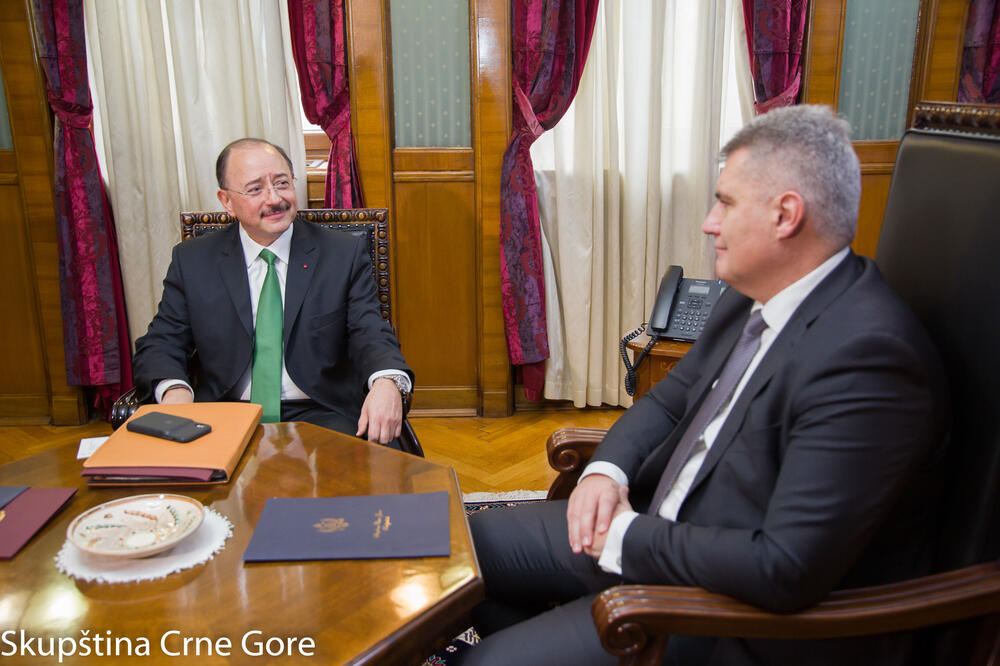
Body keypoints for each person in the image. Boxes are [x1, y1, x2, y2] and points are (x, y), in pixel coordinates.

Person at [458, 105, 948, 665]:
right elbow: (670, 399)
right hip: (658, 532)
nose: (709, 222)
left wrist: (622, 538)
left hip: (728, 609)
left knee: (483, 663)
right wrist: (605, 470)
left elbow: (783, 568)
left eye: (727, 203)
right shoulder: (753, 292)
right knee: (467, 553)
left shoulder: (869, 359)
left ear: (786, 215)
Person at [132, 138, 413, 447]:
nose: (274, 198)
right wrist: (175, 393)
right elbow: (162, 342)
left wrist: (387, 382)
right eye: (255, 189)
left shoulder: (341, 254)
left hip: (322, 412)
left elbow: (370, 331)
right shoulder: (194, 260)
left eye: (282, 183)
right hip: (225, 414)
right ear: (226, 201)